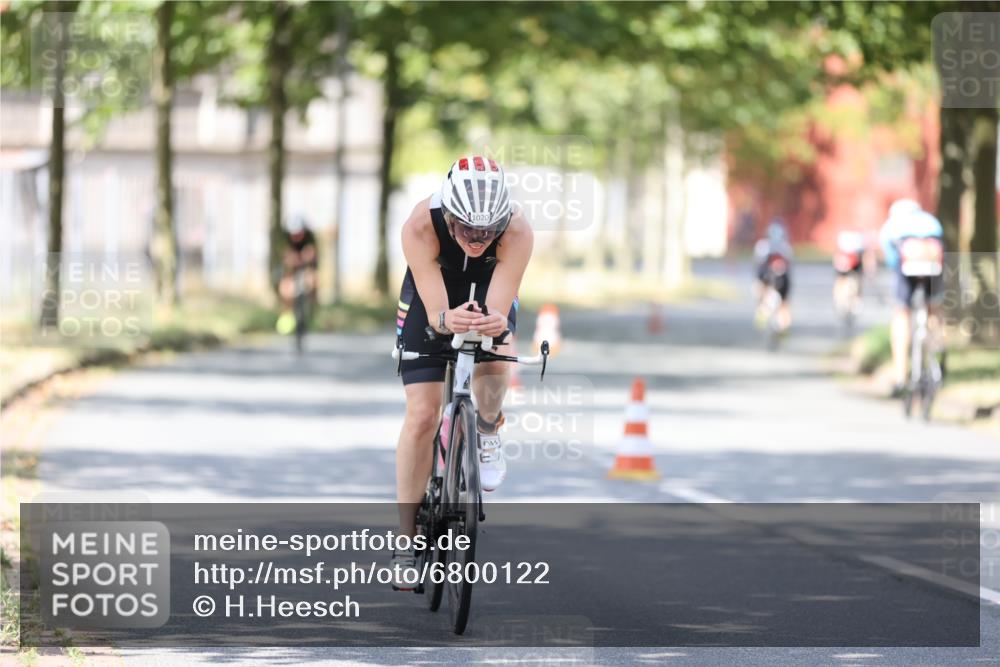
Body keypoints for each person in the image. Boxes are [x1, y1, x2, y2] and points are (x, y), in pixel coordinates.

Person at [391, 155, 533, 585]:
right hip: (432, 295)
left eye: (487, 231)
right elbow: (436, 312)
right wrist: (445, 319)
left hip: (486, 291)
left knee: (500, 341)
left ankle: (487, 430)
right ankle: (407, 542)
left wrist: (493, 322)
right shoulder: (420, 225)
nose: (477, 238)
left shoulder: (518, 231)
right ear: (449, 216)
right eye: (468, 229)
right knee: (422, 413)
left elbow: (500, 306)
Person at [878, 199, 944, 396]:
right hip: (933, 264)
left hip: (907, 268)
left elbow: (891, 258)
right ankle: (937, 352)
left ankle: (900, 375)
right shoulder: (931, 221)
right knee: (934, 308)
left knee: (901, 313)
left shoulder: (892, 226)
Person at [276, 214, 318, 335]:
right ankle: (287, 313)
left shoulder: (310, 237)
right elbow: (284, 255)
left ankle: (313, 306)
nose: (296, 237)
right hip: (291, 266)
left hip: (308, 264)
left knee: (313, 280)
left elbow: (313, 254)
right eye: (294, 235)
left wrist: (308, 258)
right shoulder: (285, 237)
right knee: (285, 286)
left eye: (299, 234)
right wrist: (291, 260)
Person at [753, 219, 793, 332]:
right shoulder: (785, 247)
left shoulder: (762, 246)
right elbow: (789, 264)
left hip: (769, 277)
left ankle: (762, 311)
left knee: (762, 291)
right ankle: (784, 327)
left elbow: (758, 266)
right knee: (784, 303)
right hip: (780, 277)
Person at [833, 229, 867, 319]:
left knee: (849, 280)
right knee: (848, 279)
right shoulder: (855, 243)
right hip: (849, 258)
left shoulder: (852, 243)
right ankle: (845, 300)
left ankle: (851, 300)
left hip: (850, 258)